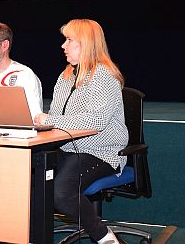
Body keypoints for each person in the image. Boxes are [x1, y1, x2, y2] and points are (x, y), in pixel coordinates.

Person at [34, 19, 128, 244]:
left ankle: (105, 237)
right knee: (29, 178)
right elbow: (56, 116)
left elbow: (96, 121)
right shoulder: (66, 76)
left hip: (100, 152)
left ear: (86, 44)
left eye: (69, 40)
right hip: (69, 148)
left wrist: (50, 120)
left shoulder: (103, 76)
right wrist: (39, 124)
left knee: (61, 193)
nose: (63, 46)